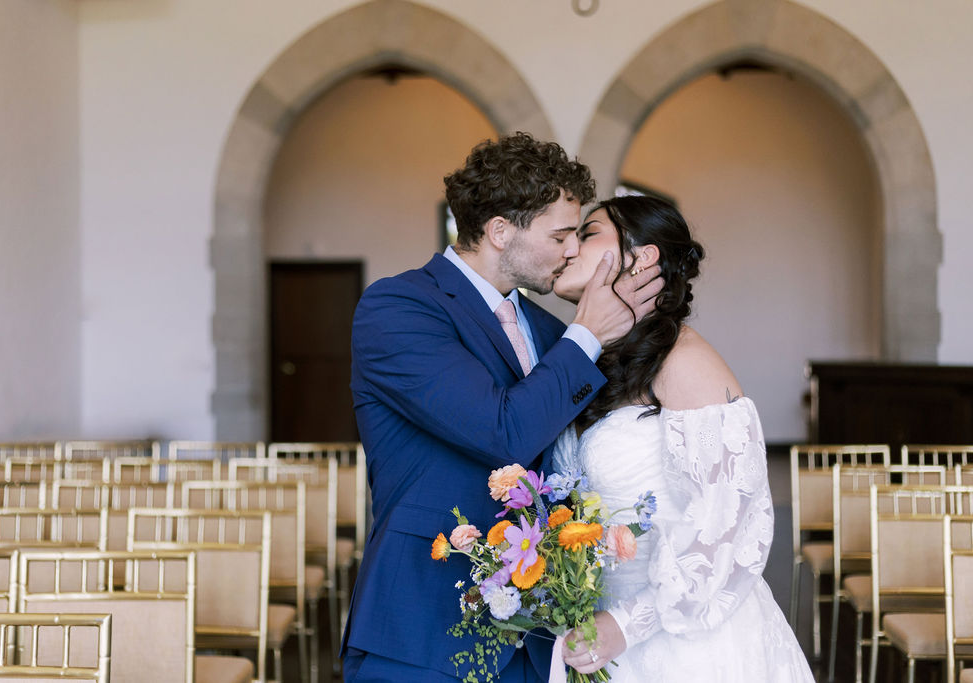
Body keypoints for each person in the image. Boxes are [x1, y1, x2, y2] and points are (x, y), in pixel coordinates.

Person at [341, 133, 663, 682]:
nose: (571, 250)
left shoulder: (550, 330)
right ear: (499, 231)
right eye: (560, 234)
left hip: (536, 639)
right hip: (423, 623)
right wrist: (587, 335)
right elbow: (503, 430)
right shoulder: (398, 307)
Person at [551, 195, 813, 682]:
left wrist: (627, 625)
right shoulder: (590, 359)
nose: (568, 249)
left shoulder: (684, 360)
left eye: (587, 234)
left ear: (642, 256)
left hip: (685, 640)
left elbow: (728, 525)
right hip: (596, 627)